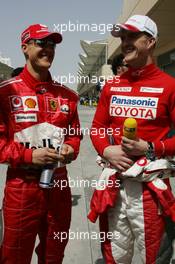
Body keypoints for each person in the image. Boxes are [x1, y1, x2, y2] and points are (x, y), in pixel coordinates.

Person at [90, 15, 175, 263]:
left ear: (150, 42)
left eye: (132, 36)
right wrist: (107, 151)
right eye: (123, 37)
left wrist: (150, 147)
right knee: (114, 258)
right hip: (113, 187)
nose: (125, 42)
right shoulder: (112, 85)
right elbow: (96, 127)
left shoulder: (169, 85)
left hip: (151, 191)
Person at [0, 24, 81, 264]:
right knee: (14, 256)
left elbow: (74, 135)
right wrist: (28, 157)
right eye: (41, 43)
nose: (48, 49)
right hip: (21, 186)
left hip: (59, 185)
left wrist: (71, 149)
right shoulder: (5, 93)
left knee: (54, 255)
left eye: (52, 44)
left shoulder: (68, 96)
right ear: (24, 48)